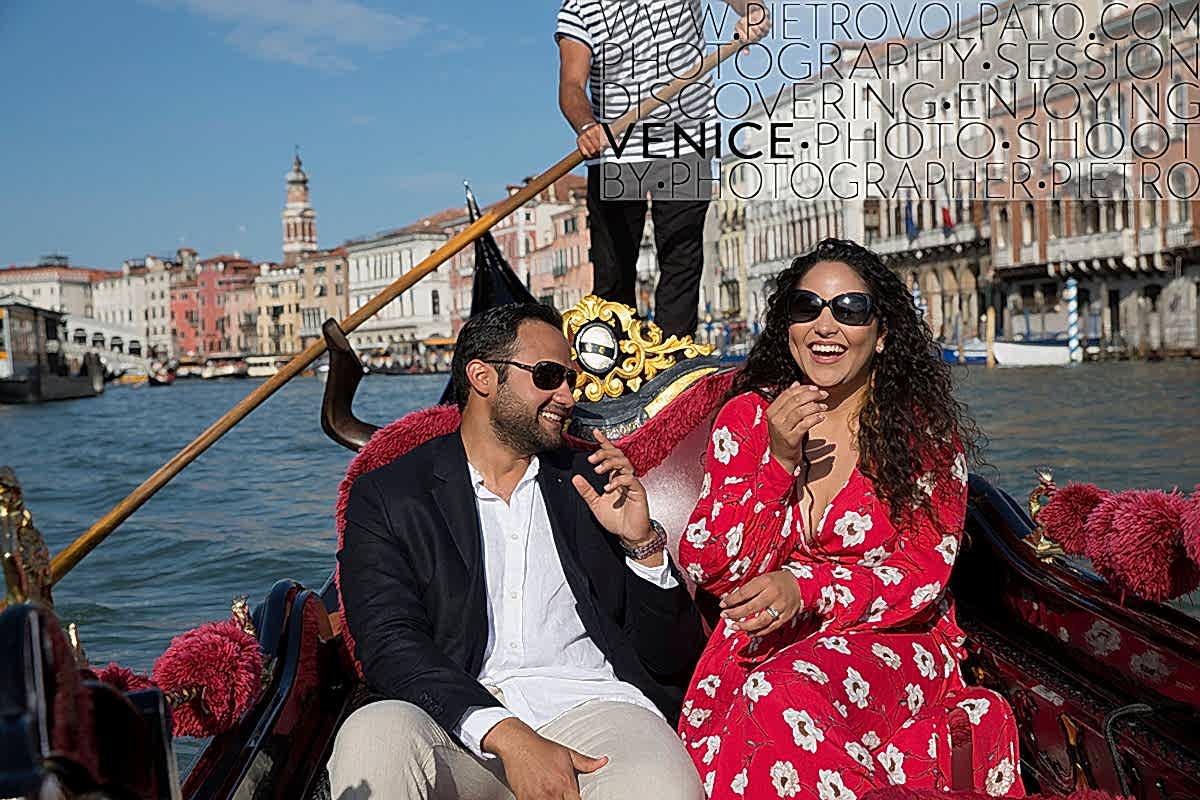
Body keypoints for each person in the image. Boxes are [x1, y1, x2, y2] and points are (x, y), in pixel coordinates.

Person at [674, 239, 1024, 799]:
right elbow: (714, 567)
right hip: (764, 640)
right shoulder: (748, 418)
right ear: (788, 326)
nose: (825, 325)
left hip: (892, 639)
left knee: (778, 696)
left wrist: (807, 587)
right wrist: (778, 463)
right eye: (806, 307)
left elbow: (921, 573)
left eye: (850, 310)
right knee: (754, 702)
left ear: (881, 334)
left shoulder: (920, 436)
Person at [329, 302, 707, 800]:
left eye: (570, 379)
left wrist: (642, 545)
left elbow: (669, 658)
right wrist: (508, 735)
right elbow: (389, 644)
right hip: (456, 718)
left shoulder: (593, 478)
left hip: (596, 714)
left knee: (663, 790)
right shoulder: (389, 495)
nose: (568, 396)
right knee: (373, 735)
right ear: (483, 377)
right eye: (550, 376)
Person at [555, 0, 769, 339]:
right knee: (613, 271)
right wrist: (585, 127)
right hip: (615, 147)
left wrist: (753, 13)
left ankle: (675, 357)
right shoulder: (580, 7)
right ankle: (615, 358)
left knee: (682, 259)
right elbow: (570, 85)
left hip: (688, 138)